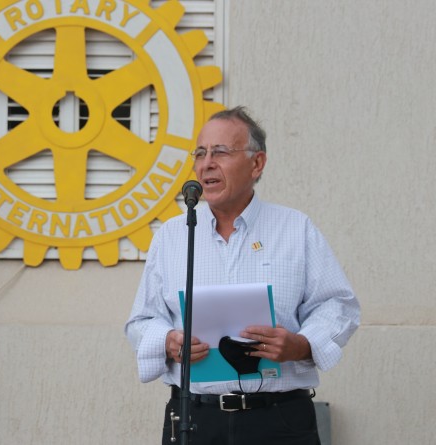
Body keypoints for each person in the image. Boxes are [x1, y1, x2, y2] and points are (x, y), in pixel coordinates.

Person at [124, 107, 360, 445]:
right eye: (200, 153)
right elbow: (141, 321)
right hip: (195, 419)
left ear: (257, 163)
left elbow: (338, 305)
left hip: (279, 420)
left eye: (220, 152)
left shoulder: (295, 229)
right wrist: (167, 340)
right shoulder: (173, 236)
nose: (206, 164)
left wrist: (301, 345)